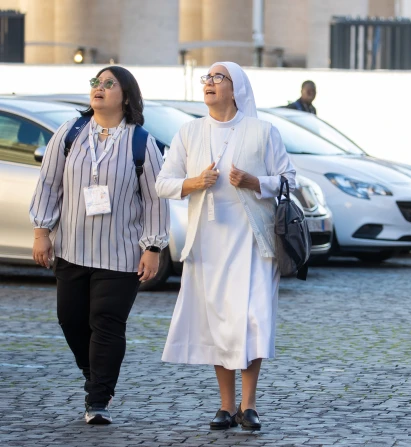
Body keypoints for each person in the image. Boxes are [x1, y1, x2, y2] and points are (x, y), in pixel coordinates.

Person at [156, 61, 296, 431]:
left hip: (253, 240)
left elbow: (288, 179)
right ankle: (225, 405)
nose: (210, 83)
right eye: (207, 78)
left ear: (237, 90)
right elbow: (163, 183)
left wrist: (255, 181)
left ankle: (248, 406)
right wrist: (194, 183)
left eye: (219, 78)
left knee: (252, 320)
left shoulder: (263, 131)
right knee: (219, 321)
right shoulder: (189, 132)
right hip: (209, 242)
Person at [29, 66, 169, 424]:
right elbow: (49, 184)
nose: (100, 88)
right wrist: (42, 231)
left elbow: (155, 199)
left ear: (126, 96)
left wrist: (152, 247)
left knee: (106, 322)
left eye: (109, 84)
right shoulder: (70, 133)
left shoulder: (142, 142)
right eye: (97, 83)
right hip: (72, 248)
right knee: (71, 320)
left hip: (120, 254)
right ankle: (95, 376)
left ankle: (98, 399)